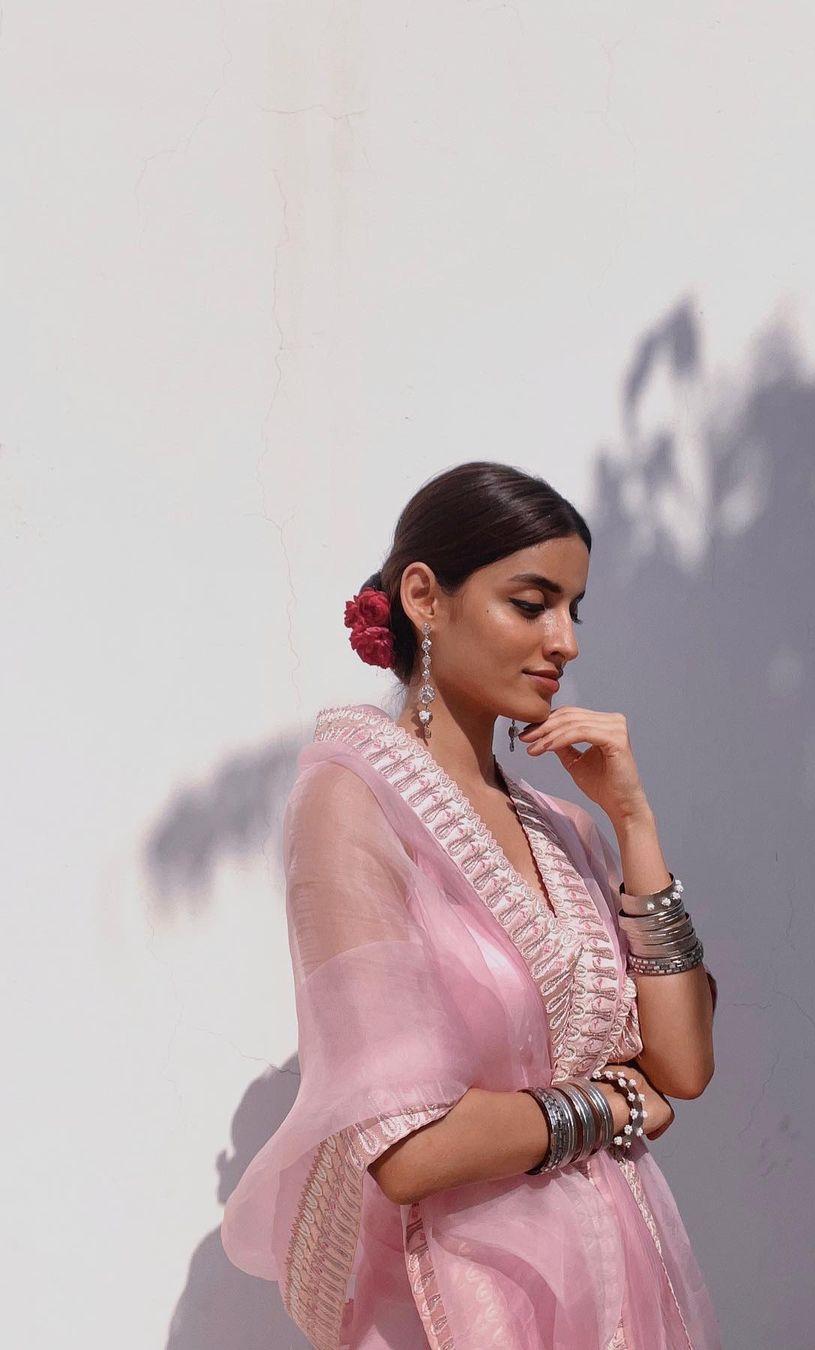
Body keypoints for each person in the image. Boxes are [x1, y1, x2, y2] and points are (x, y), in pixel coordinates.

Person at [221, 461, 724, 1348]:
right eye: (531, 605)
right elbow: (414, 1148)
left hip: (622, 1282)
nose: (564, 641)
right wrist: (605, 1107)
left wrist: (634, 822)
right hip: (463, 1301)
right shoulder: (353, 800)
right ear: (424, 595)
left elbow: (681, 1067)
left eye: (574, 610)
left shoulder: (566, 828)